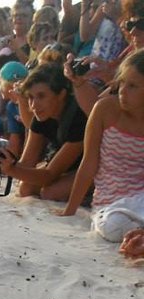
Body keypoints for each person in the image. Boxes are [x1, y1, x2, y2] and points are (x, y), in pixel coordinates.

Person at [57, 49, 144, 241]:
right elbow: (89, 164)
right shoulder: (104, 109)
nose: (123, 90)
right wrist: (70, 210)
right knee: (112, 227)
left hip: (141, 200)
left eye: (132, 86)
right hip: (110, 205)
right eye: (121, 82)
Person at [0, 63, 87, 200]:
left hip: (95, 168)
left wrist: (12, 170)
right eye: (30, 97)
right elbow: (26, 163)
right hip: (67, 166)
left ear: (61, 94)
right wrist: (3, 160)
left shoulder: (78, 117)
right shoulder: (42, 116)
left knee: (51, 193)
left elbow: (49, 176)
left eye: (41, 96)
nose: (34, 105)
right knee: (26, 189)